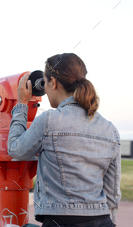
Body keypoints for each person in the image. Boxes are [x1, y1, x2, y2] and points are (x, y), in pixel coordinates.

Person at [7, 53, 121, 227]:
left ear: (53, 82)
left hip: (61, 221)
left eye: (44, 83)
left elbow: (15, 149)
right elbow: (113, 193)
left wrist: (21, 104)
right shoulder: (110, 129)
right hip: (102, 220)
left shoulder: (49, 120)